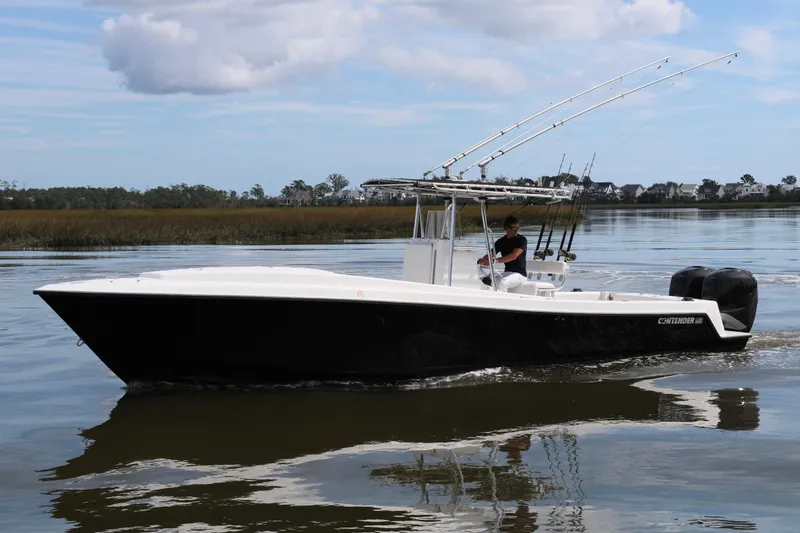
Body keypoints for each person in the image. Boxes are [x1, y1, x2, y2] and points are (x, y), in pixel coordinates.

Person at [477, 215, 527, 291]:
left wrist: (495, 260)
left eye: (517, 228)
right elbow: (490, 255)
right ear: (506, 228)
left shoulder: (522, 240)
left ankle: (502, 299)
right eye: (514, 228)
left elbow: (514, 256)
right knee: (484, 281)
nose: (516, 231)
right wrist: (482, 260)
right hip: (506, 273)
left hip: (520, 275)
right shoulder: (501, 242)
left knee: (503, 282)